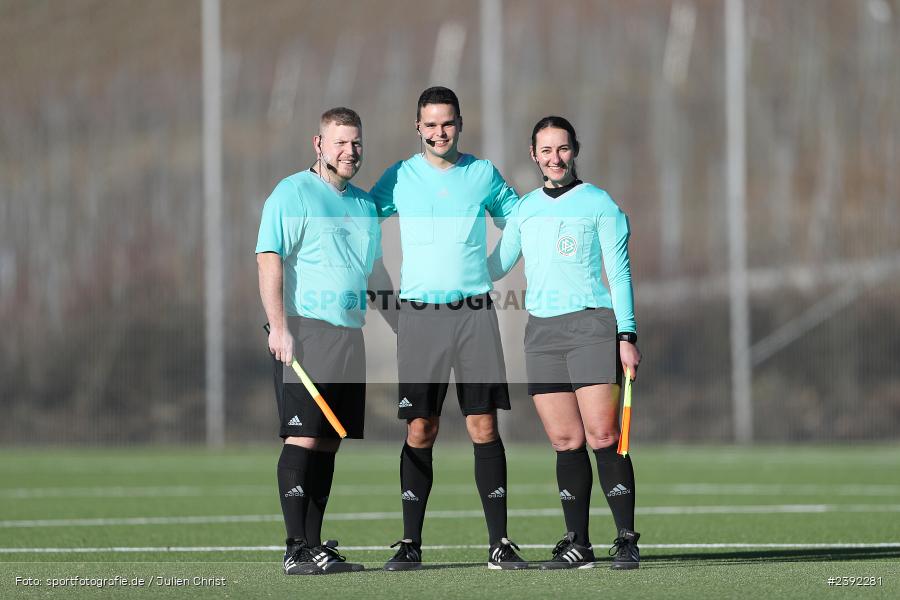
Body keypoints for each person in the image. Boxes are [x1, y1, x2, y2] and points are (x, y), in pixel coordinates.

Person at [369, 86, 527, 570]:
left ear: (460, 123)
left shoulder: (482, 173)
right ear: (417, 127)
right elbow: (358, 221)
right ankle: (411, 543)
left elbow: (520, 216)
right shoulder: (398, 176)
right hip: (418, 317)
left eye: (448, 123)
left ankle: (499, 543)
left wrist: (494, 266)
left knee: (483, 425)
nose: (440, 132)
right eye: (431, 124)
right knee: (422, 427)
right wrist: (386, 301)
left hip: (474, 313)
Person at [487, 116, 643, 570]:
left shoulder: (599, 204)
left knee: (604, 435)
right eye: (546, 151)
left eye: (563, 149)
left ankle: (626, 539)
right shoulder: (524, 209)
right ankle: (579, 543)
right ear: (533, 156)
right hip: (541, 332)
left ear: (575, 150)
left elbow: (620, 272)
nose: (555, 159)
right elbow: (497, 266)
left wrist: (627, 334)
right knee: (564, 440)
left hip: (592, 327)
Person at [256, 107, 395, 575]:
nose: (349, 151)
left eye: (355, 142)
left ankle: (314, 545)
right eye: (339, 142)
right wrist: (279, 327)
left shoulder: (362, 205)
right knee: (302, 436)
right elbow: (269, 259)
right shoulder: (292, 193)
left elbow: (373, 272)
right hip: (305, 330)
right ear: (318, 145)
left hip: (347, 335)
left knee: (330, 441)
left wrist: (403, 326)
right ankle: (295, 548)